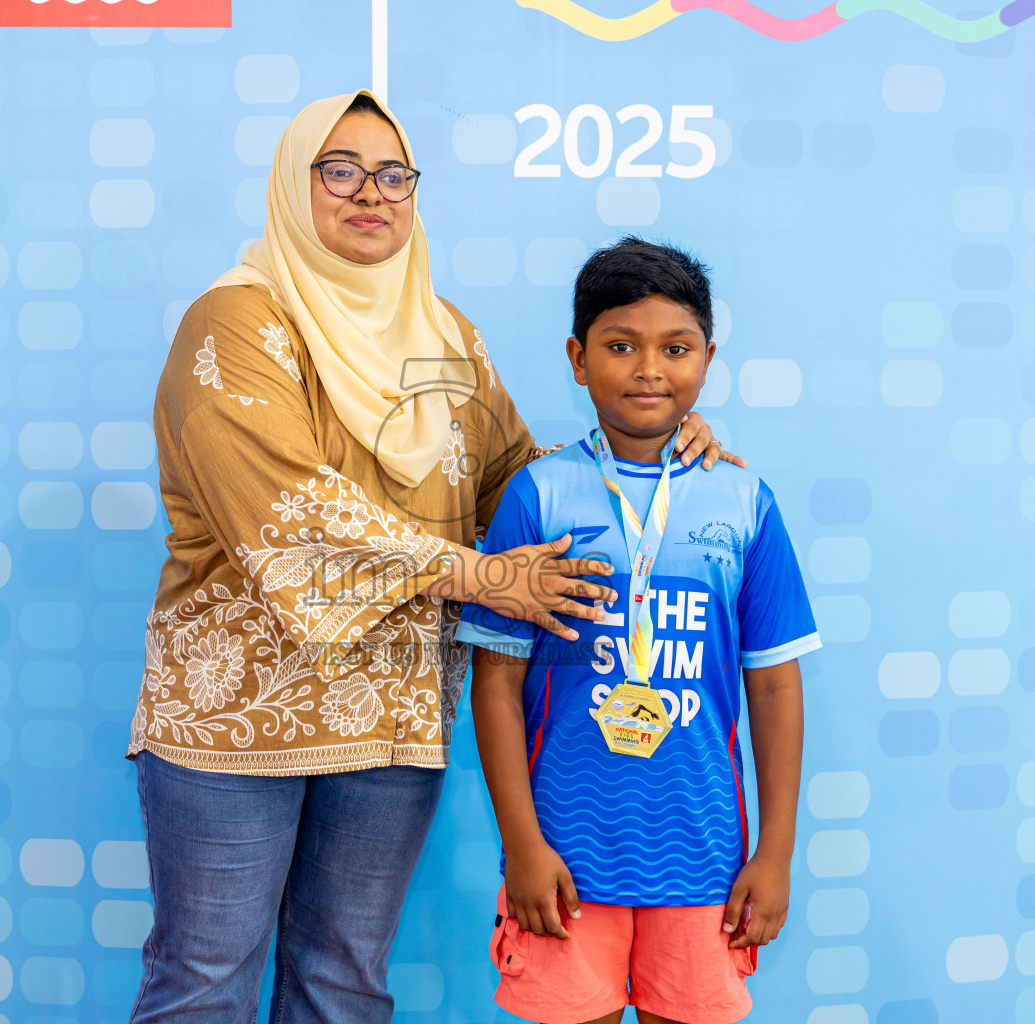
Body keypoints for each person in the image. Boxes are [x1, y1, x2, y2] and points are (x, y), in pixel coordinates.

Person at [125, 94, 737, 1022]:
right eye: (340, 169)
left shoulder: (446, 336)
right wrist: (485, 577)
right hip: (236, 724)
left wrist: (657, 441)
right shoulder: (235, 324)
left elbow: (521, 486)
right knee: (205, 979)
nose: (369, 192)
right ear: (295, 186)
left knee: (343, 979)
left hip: (394, 716)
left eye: (393, 174)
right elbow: (292, 511)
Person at [460, 238, 819, 1024]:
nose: (648, 368)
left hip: (704, 863)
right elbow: (496, 680)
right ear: (578, 358)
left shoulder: (743, 499)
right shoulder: (539, 496)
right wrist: (522, 843)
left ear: (708, 358)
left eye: (675, 348)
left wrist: (776, 852)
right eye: (620, 346)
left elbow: (773, 682)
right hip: (564, 862)